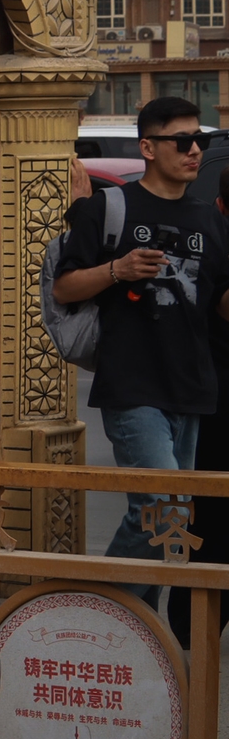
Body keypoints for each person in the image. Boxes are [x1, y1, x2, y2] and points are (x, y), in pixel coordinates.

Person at [53, 96, 229, 610]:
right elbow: (65, 287)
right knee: (162, 507)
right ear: (148, 148)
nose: (194, 150)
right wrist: (119, 270)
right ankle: (100, 617)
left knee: (170, 520)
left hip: (192, 387)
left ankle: (134, 631)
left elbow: (219, 303)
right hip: (132, 385)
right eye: (183, 140)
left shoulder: (211, 220)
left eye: (200, 140)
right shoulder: (109, 209)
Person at [170, 160, 229, 648]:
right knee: (210, 510)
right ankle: (193, 623)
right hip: (215, 399)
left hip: (208, 396)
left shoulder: (208, 232)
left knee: (208, 512)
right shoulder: (214, 241)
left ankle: (192, 623)